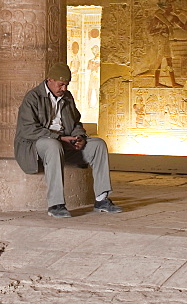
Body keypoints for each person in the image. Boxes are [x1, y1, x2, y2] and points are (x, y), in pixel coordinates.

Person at [14, 62, 122, 218]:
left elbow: (76, 122)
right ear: (49, 80)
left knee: (98, 144)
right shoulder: (33, 97)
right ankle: (56, 205)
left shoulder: (67, 97)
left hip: (64, 142)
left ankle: (101, 200)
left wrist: (80, 137)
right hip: (37, 144)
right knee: (52, 145)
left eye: (66, 85)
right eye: (61, 84)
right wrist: (59, 138)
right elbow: (28, 130)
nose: (64, 88)